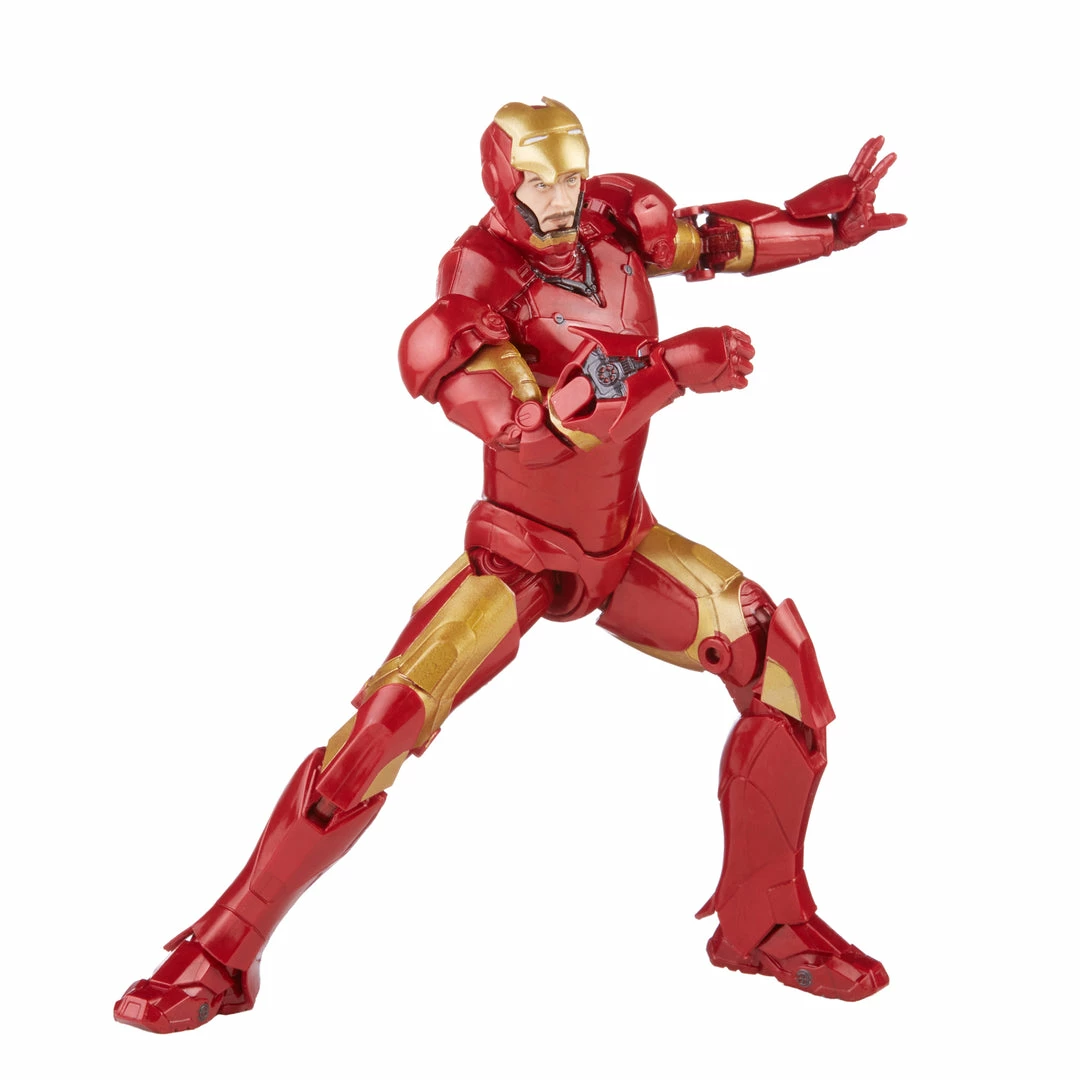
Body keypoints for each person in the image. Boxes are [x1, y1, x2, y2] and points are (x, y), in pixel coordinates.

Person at [115, 98, 905, 1033]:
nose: (560, 199)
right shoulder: (480, 279)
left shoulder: (616, 223)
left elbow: (719, 239)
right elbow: (536, 430)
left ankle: (762, 922)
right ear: (501, 180)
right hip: (520, 558)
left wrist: (826, 230)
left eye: (570, 176)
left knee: (781, 662)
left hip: (624, 543)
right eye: (538, 182)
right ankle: (221, 953)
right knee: (383, 727)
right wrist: (671, 370)